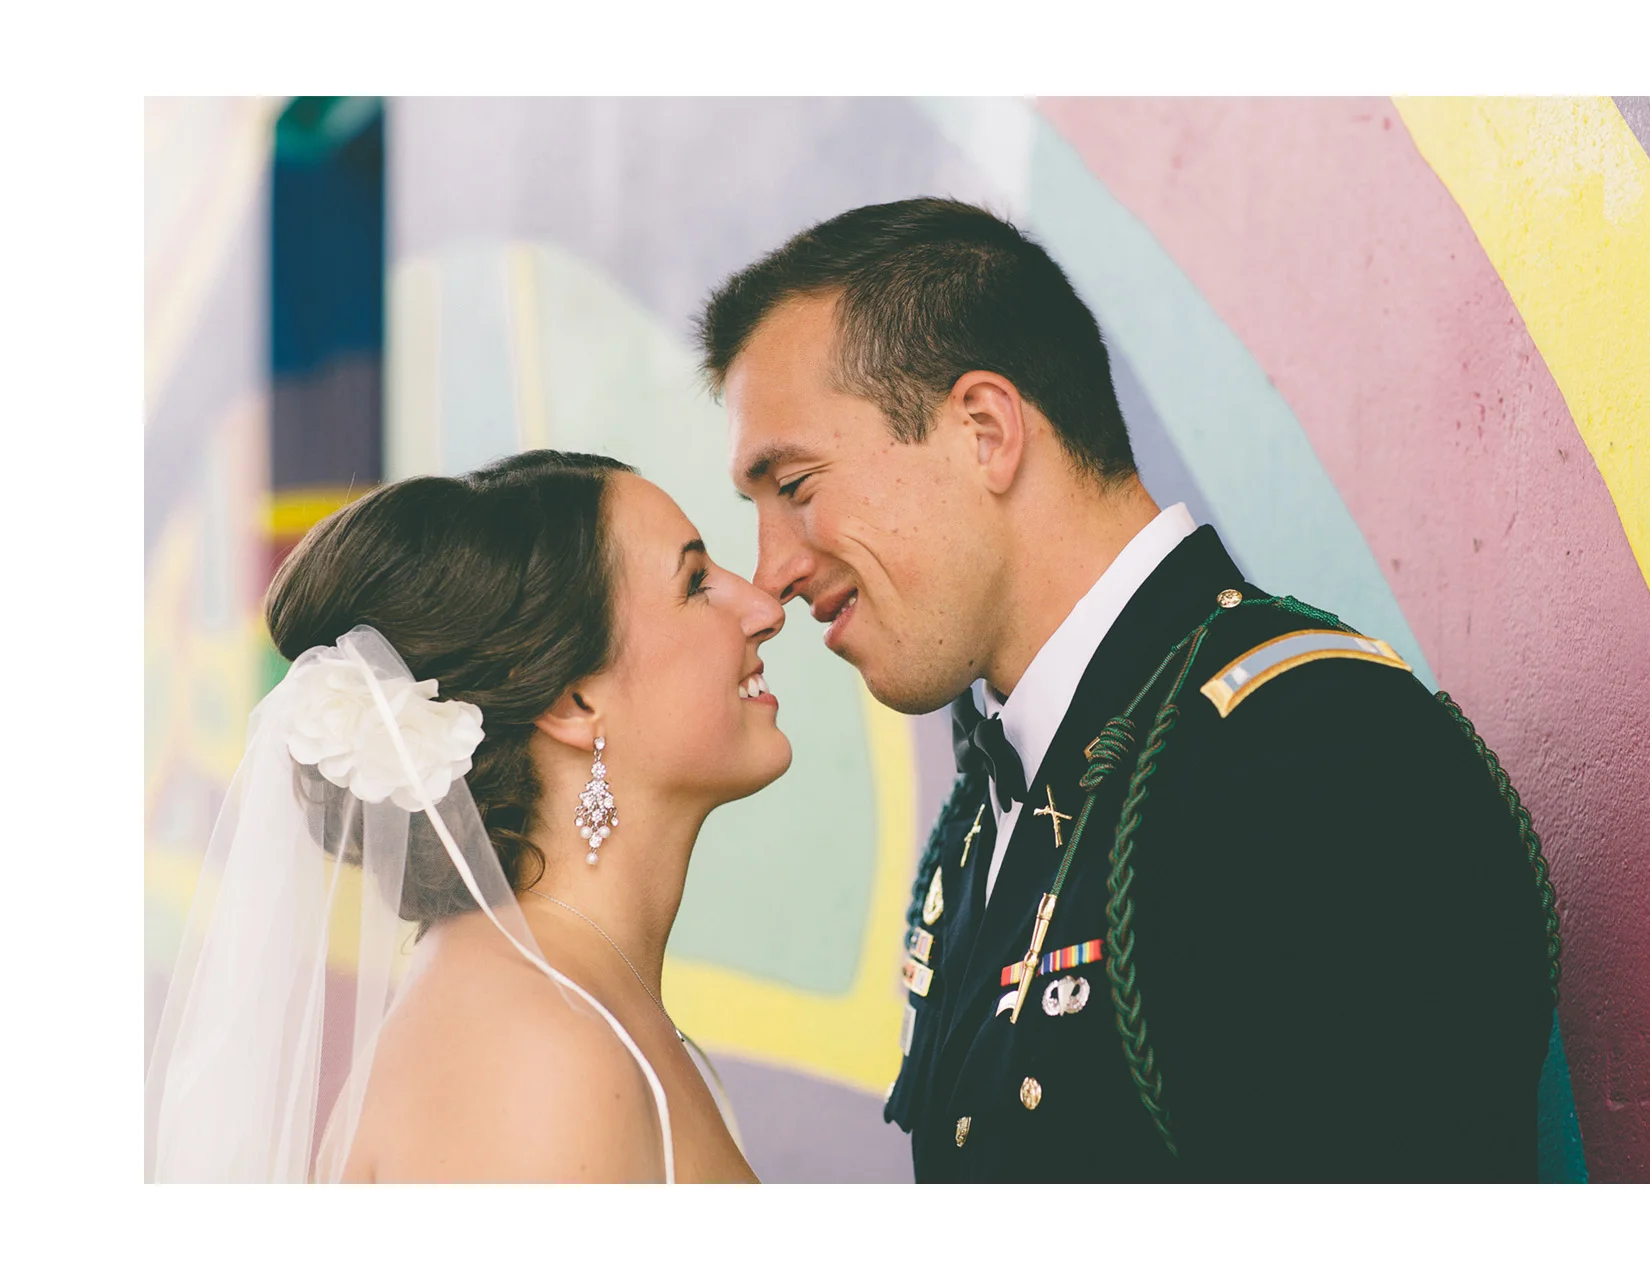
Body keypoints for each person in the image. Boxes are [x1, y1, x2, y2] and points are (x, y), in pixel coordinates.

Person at [702, 197, 1562, 1181]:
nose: (770, 572)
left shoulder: (1314, 747)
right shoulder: (993, 800)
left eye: (797, 486)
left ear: (985, 430)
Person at [145, 451, 786, 1182]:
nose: (765, 609)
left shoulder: (554, 1001)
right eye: (696, 583)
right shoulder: (528, 1054)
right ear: (574, 701)